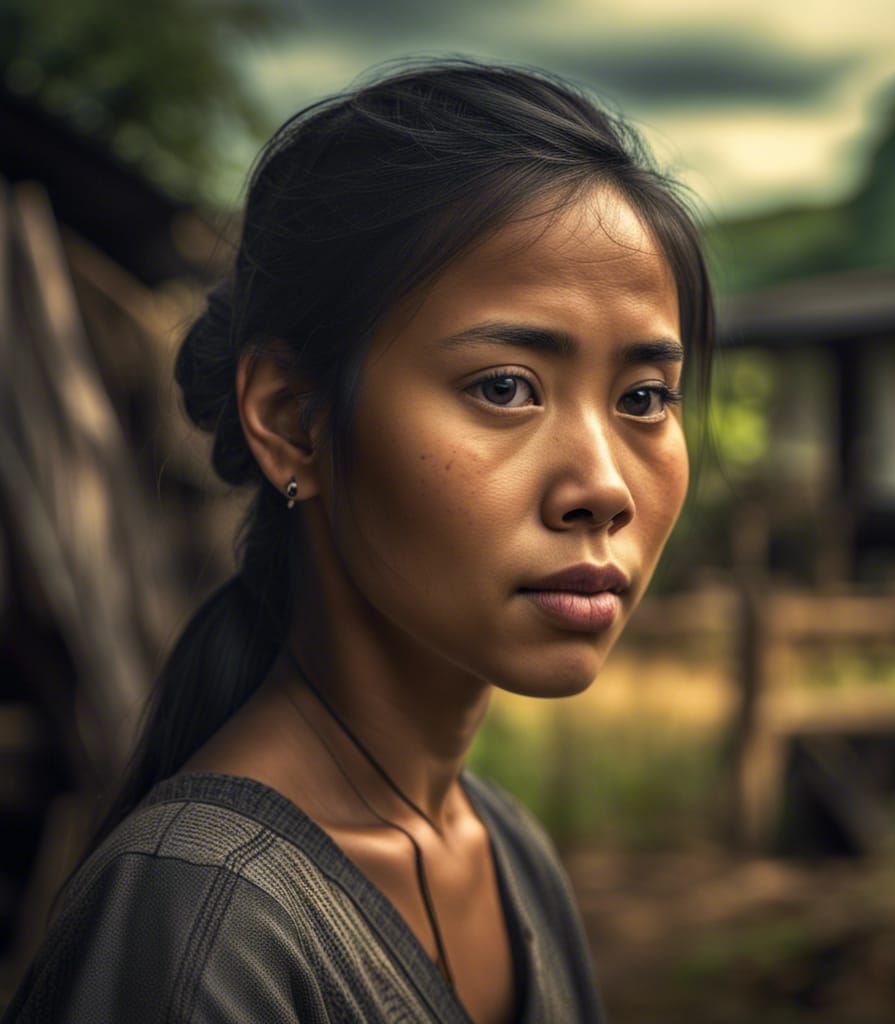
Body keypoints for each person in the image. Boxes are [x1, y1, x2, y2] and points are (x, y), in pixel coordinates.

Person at [2, 59, 714, 1023]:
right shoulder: (199, 918)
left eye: (645, 399)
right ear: (292, 419)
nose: (603, 488)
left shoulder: (510, 854)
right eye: (505, 387)